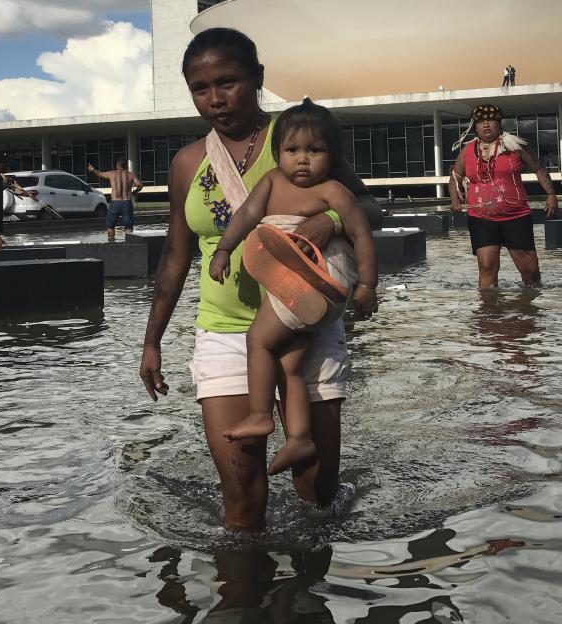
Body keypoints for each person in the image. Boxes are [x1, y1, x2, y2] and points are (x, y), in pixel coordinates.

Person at [139, 27, 382, 532]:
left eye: (227, 83)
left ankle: (309, 595)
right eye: (200, 89)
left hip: (306, 326)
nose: (215, 100)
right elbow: (176, 255)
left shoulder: (298, 140)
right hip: (225, 331)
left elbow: (368, 209)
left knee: (317, 494)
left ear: (258, 79)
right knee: (243, 498)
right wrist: (152, 342)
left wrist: (330, 222)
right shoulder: (187, 163)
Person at [209, 98, 378, 476]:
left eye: (314, 150)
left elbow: (363, 235)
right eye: (292, 150)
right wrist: (223, 248)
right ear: (277, 153)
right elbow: (246, 215)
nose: (303, 159)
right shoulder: (271, 182)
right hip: (292, 284)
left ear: (332, 156)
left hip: (316, 278)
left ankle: (258, 415)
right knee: (290, 363)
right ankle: (300, 438)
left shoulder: (334, 191)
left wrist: (367, 284)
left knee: (259, 340)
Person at [449, 103, 558, 287]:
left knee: (529, 270)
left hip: (515, 216)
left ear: (499, 123)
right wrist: (455, 199)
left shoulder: (515, 146)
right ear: (474, 127)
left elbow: (539, 168)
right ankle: (489, 312)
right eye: (481, 121)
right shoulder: (467, 151)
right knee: (486, 267)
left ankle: (529, 307)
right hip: (481, 218)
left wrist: (551, 193)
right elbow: (455, 177)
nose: (486, 125)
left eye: (490, 120)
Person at [88, 158, 143, 240]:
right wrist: (134, 193)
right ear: (126, 166)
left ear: (117, 165)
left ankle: (111, 242)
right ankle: (129, 243)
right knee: (128, 226)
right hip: (127, 202)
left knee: (110, 225)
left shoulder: (111, 174)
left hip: (115, 203)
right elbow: (140, 185)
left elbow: (99, 174)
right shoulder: (131, 175)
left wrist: (93, 170)